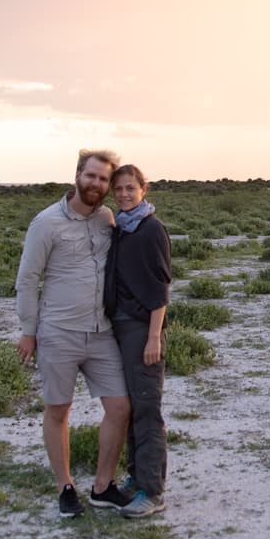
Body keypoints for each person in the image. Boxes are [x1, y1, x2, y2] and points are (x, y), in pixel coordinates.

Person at [15, 149, 133, 517]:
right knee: (58, 409)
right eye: (91, 176)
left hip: (100, 333)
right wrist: (28, 331)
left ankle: (102, 486)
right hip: (58, 333)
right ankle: (65, 486)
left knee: (119, 407)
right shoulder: (46, 223)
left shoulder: (107, 219)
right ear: (78, 175)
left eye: (103, 179)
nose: (96, 184)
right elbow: (27, 279)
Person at [104, 163, 172, 518]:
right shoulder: (121, 229)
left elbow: (161, 288)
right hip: (120, 329)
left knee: (147, 410)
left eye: (131, 188)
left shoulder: (150, 229)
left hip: (141, 330)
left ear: (144, 189)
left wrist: (153, 337)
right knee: (130, 409)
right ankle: (136, 479)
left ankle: (153, 492)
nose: (125, 195)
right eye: (119, 189)